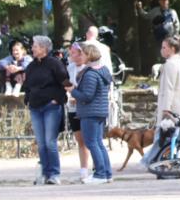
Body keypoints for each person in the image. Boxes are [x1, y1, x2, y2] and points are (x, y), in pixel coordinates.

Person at [141, 36, 180, 167]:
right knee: (173, 135)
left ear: (172, 48)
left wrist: (166, 108)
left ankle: (149, 161)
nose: (162, 50)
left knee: (164, 135)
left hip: (172, 105)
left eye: (164, 47)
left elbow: (169, 88)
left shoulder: (170, 64)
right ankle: (152, 160)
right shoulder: (179, 62)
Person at [23, 35, 69, 185]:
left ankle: (54, 174)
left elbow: (65, 82)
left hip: (51, 106)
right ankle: (44, 173)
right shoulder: (31, 66)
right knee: (41, 143)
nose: (32, 48)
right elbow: (27, 86)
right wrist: (27, 99)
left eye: (35, 46)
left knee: (50, 142)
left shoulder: (55, 64)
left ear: (43, 48)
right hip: (35, 107)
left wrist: (59, 99)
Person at [72, 43, 114, 184]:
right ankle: (107, 173)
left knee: (91, 143)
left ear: (89, 56)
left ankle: (100, 174)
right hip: (99, 111)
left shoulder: (90, 74)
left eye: (83, 54)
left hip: (90, 112)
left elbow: (87, 96)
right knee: (98, 143)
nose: (81, 56)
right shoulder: (102, 70)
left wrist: (72, 90)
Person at [65, 43, 90, 182]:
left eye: (74, 53)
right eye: (71, 53)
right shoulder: (70, 68)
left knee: (91, 140)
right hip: (73, 107)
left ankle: (98, 168)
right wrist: (69, 95)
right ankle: (83, 170)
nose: (72, 56)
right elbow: (67, 85)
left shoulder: (89, 68)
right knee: (80, 140)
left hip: (87, 108)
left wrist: (77, 95)